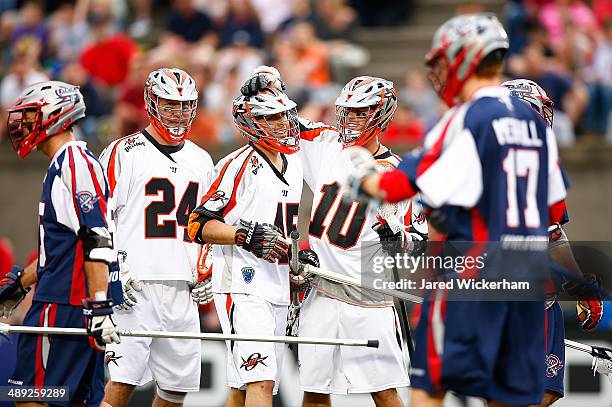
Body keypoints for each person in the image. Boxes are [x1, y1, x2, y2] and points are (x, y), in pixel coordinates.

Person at [349, 14, 568, 406]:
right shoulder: (535, 124)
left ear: (465, 59)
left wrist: (362, 177)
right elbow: (555, 206)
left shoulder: (465, 117)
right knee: (507, 399)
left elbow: (396, 186)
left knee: (429, 390)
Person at [240, 69, 427, 406]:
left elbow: (420, 239)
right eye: (348, 111)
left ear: (381, 114)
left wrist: (400, 238)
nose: (351, 119)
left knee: (384, 394)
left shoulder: (397, 174)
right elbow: (282, 121)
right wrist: (271, 82)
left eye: (360, 112)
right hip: (322, 290)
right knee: (313, 392)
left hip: (369, 294)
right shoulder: (326, 144)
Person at [99, 68, 214, 407]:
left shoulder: (201, 159)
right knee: (121, 384)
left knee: (175, 390)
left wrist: (206, 268)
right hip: (136, 284)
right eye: (169, 105)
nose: (178, 113)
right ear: (151, 103)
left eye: (185, 105)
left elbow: (206, 224)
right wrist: (114, 266)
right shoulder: (124, 151)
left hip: (182, 286)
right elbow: (100, 217)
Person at [0, 80, 120, 405]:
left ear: (54, 115)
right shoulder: (69, 163)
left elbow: (97, 238)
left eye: (30, 117)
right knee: (80, 401)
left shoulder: (73, 163)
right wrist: (20, 285)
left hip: (65, 306)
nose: (23, 126)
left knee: (31, 398)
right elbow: (64, 248)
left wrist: (98, 304)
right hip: (73, 303)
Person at [187, 85, 302, 407]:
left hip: (277, 282)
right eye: (270, 117)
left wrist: (296, 256)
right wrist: (244, 235)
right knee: (260, 381)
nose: (281, 123)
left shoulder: (294, 163)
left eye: (283, 114)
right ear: (251, 124)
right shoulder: (236, 165)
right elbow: (199, 224)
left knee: (242, 387)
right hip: (242, 283)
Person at [502, 78, 604, 406]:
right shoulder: (539, 165)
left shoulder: (474, 160)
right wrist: (584, 289)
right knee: (541, 391)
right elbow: (553, 236)